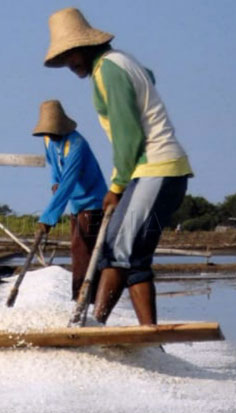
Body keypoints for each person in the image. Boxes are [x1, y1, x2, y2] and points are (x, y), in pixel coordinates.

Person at [43, 8, 194, 325]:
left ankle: (109, 327)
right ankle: (104, 326)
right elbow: (148, 77)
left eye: (72, 54)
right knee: (116, 247)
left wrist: (116, 187)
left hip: (156, 168)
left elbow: (129, 136)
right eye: (64, 58)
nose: (70, 64)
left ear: (86, 45)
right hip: (153, 172)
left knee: (123, 252)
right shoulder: (122, 61)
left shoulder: (107, 71)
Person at [33, 99, 108, 301]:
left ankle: (84, 300)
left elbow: (68, 180)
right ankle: (84, 298)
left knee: (82, 249)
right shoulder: (48, 140)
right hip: (75, 203)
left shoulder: (77, 145)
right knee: (79, 250)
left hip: (93, 202)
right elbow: (55, 169)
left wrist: (48, 217)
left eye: (54, 132)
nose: (51, 135)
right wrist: (54, 183)